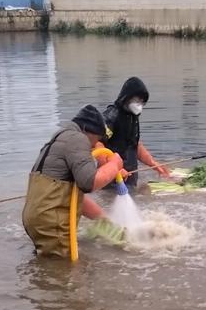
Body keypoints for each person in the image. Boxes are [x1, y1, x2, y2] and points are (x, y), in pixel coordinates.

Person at [21, 105, 127, 259]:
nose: (92, 147)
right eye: (95, 141)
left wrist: (105, 221)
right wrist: (115, 164)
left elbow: (71, 196)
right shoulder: (78, 139)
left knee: (49, 263)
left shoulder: (61, 137)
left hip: (37, 218)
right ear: (87, 130)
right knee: (66, 273)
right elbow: (89, 183)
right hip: (50, 220)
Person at [103, 76, 172, 187]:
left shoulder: (132, 117)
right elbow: (99, 146)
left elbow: (135, 145)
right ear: (126, 98)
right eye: (137, 100)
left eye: (142, 102)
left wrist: (154, 164)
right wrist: (113, 169)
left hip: (129, 177)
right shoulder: (112, 116)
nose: (139, 105)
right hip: (111, 180)